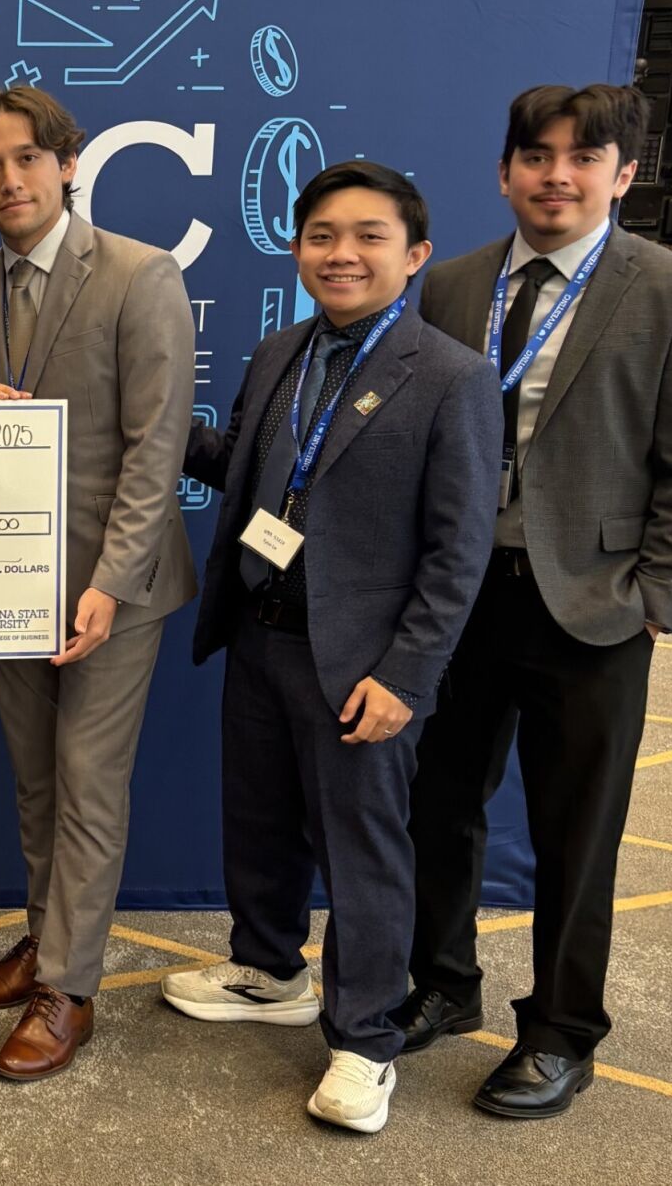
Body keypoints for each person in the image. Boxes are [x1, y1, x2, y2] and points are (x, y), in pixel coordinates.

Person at [396, 84, 672, 1118]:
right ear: (502, 171)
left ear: (621, 176)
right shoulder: (450, 286)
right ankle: (442, 988)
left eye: (582, 158)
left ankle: (560, 1031)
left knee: (574, 830)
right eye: (534, 156)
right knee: (436, 808)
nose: (554, 176)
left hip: (590, 603)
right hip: (455, 596)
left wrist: (660, 594)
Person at [161, 162, 501, 1133]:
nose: (340, 253)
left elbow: (456, 549)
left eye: (366, 236)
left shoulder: (449, 377)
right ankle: (269, 968)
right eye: (319, 235)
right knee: (258, 820)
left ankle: (363, 1041)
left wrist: (405, 676)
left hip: (361, 664)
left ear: (414, 255)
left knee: (361, 856)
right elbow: (244, 470)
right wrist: (149, 422)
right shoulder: (279, 353)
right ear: (296, 246)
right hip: (261, 635)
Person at [0, 87, 197, 1081]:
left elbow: (153, 448)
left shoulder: (137, 275)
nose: (9, 180)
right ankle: (48, 938)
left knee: (88, 783)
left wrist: (109, 585)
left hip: (111, 590)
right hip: (8, 582)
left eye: (26, 159)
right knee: (37, 779)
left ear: (67, 164)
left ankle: (69, 989)